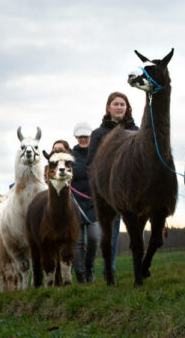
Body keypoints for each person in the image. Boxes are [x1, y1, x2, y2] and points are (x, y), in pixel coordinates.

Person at [87, 92, 139, 276]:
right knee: (111, 233)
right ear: (108, 108)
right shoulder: (98, 134)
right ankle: (109, 269)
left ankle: (140, 269)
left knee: (136, 232)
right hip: (108, 193)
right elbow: (91, 163)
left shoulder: (137, 132)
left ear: (127, 108)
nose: (119, 107)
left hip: (132, 192)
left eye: (122, 104)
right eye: (115, 104)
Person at [71, 121, 100, 283]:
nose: (83, 140)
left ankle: (89, 267)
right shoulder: (70, 156)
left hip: (93, 204)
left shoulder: (97, 154)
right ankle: (80, 274)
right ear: (76, 137)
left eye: (86, 137)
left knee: (95, 238)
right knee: (78, 242)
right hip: (75, 204)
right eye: (80, 137)